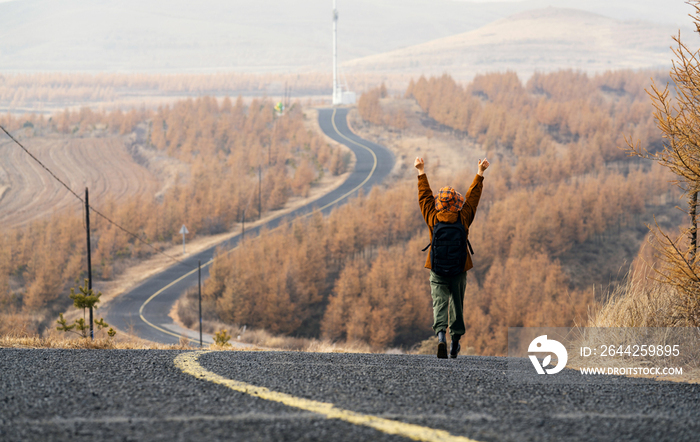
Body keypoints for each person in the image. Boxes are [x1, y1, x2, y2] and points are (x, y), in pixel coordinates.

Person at [415, 156, 489, 359]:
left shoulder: (432, 216)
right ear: (457, 202)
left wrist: (421, 171)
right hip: (459, 268)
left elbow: (424, 197)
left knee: (439, 303)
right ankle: (455, 342)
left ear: (439, 203)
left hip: (437, 267)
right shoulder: (463, 217)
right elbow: (473, 198)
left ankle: (441, 337)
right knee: (457, 304)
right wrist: (480, 173)